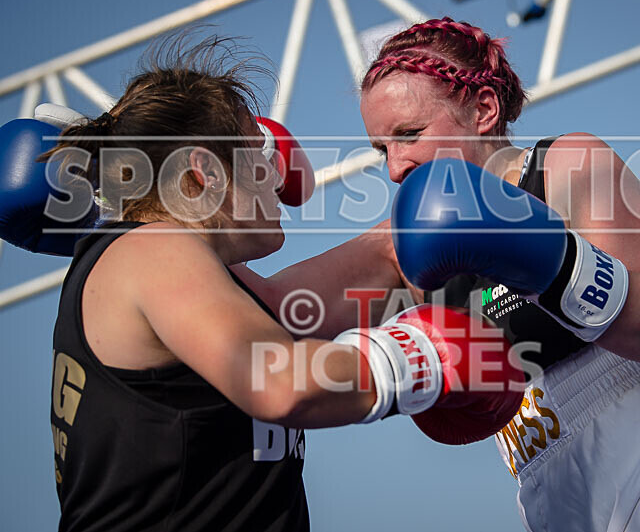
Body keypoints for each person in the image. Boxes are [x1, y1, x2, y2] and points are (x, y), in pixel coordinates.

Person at [0, 33, 525, 531]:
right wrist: (425, 354)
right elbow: (282, 381)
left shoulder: (220, 297)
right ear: (201, 174)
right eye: (258, 151)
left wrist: (476, 188)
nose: (278, 174)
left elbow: (376, 261)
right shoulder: (152, 249)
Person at [358, 16, 640, 532]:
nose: (394, 167)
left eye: (408, 135)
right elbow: (280, 307)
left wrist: (545, 260)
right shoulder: (408, 244)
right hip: (549, 487)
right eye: (381, 149)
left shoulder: (564, 165)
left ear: (483, 109)